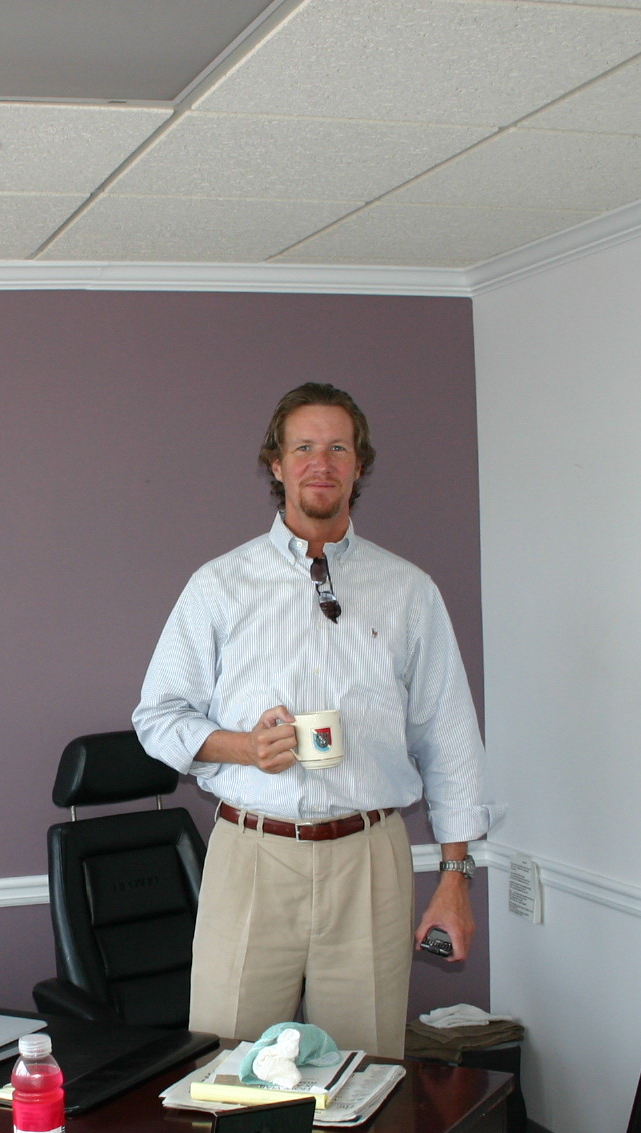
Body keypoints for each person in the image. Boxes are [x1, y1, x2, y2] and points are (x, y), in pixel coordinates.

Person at [131, 382, 494, 1057]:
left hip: (369, 859)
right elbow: (158, 717)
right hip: (252, 854)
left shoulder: (408, 591)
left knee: (364, 1073)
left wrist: (455, 878)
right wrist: (243, 747)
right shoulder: (220, 585)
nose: (320, 464)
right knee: (229, 1070)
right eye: (303, 448)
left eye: (337, 449)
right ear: (277, 464)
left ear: (359, 465)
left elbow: (448, 736)